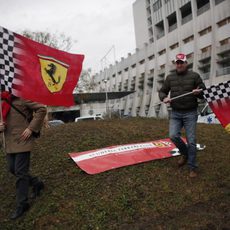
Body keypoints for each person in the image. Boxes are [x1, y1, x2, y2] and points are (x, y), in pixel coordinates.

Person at [0, 92, 47, 220]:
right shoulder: (2, 101)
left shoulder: (22, 97)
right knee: (12, 169)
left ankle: (22, 204)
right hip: (9, 142)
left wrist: (31, 128)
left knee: (21, 172)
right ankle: (36, 183)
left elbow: (42, 109)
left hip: (23, 140)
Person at [159, 53, 205, 178]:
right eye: (177, 63)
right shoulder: (170, 77)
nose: (179, 65)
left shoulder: (194, 76)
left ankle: (192, 167)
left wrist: (198, 92)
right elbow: (162, 90)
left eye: (181, 62)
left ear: (186, 63)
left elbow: (203, 91)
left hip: (190, 112)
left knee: (191, 141)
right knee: (173, 136)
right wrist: (164, 98)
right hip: (175, 112)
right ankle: (185, 154)